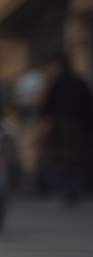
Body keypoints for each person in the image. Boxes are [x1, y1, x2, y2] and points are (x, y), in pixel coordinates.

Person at [37, 54, 93, 208]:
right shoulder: (79, 82)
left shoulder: (56, 83)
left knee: (59, 160)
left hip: (60, 127)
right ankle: (72, 190)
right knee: (74, 160)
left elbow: (47, 108)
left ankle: (64, 190)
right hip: (78, 126)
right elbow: (88, 106)